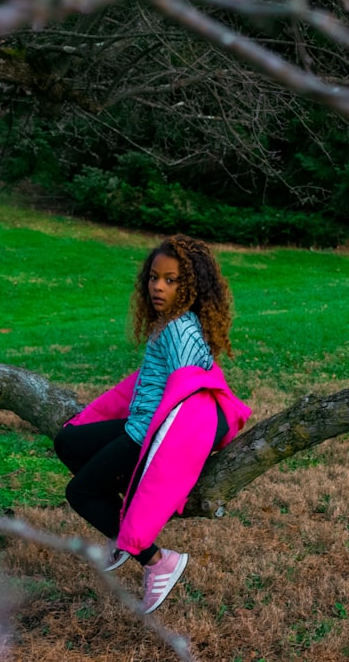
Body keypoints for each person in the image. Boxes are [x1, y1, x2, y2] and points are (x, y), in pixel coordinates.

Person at [54, 234, 251, 614]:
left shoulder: (179, 330)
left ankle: (158, 560)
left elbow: (191, 394)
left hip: (149, 436)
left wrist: (165, 458)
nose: (158, 286)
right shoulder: (169, 322)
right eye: (154, 277)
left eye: (171, 279)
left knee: (79, 493)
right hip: (138, 424)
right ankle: (122, 524)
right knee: (69, 443)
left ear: (190, 286)